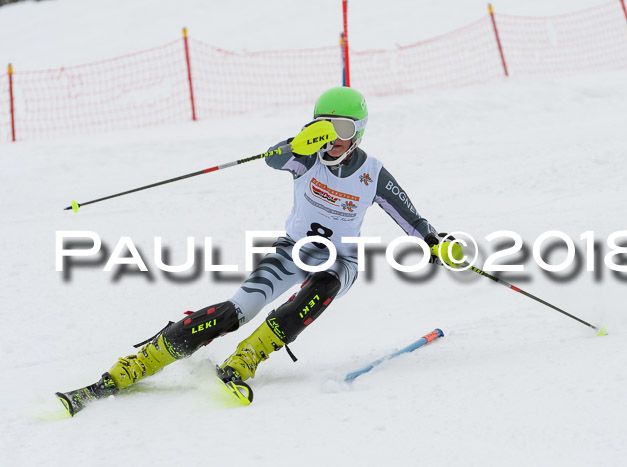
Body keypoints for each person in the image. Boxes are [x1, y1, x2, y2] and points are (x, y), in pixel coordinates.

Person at [56, 86, 458, 415]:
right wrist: (297, 143)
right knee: (235, 311)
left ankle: (243, 361)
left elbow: (410, 217)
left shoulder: (372, 173)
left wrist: (433, 241)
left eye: (344, 128)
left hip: (340, 260)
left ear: (359, 132)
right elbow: (275, 159)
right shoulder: (305, 159)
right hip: (291, 250)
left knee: (324, 286)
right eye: (325, 127)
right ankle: (136, 365)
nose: (334, 137)